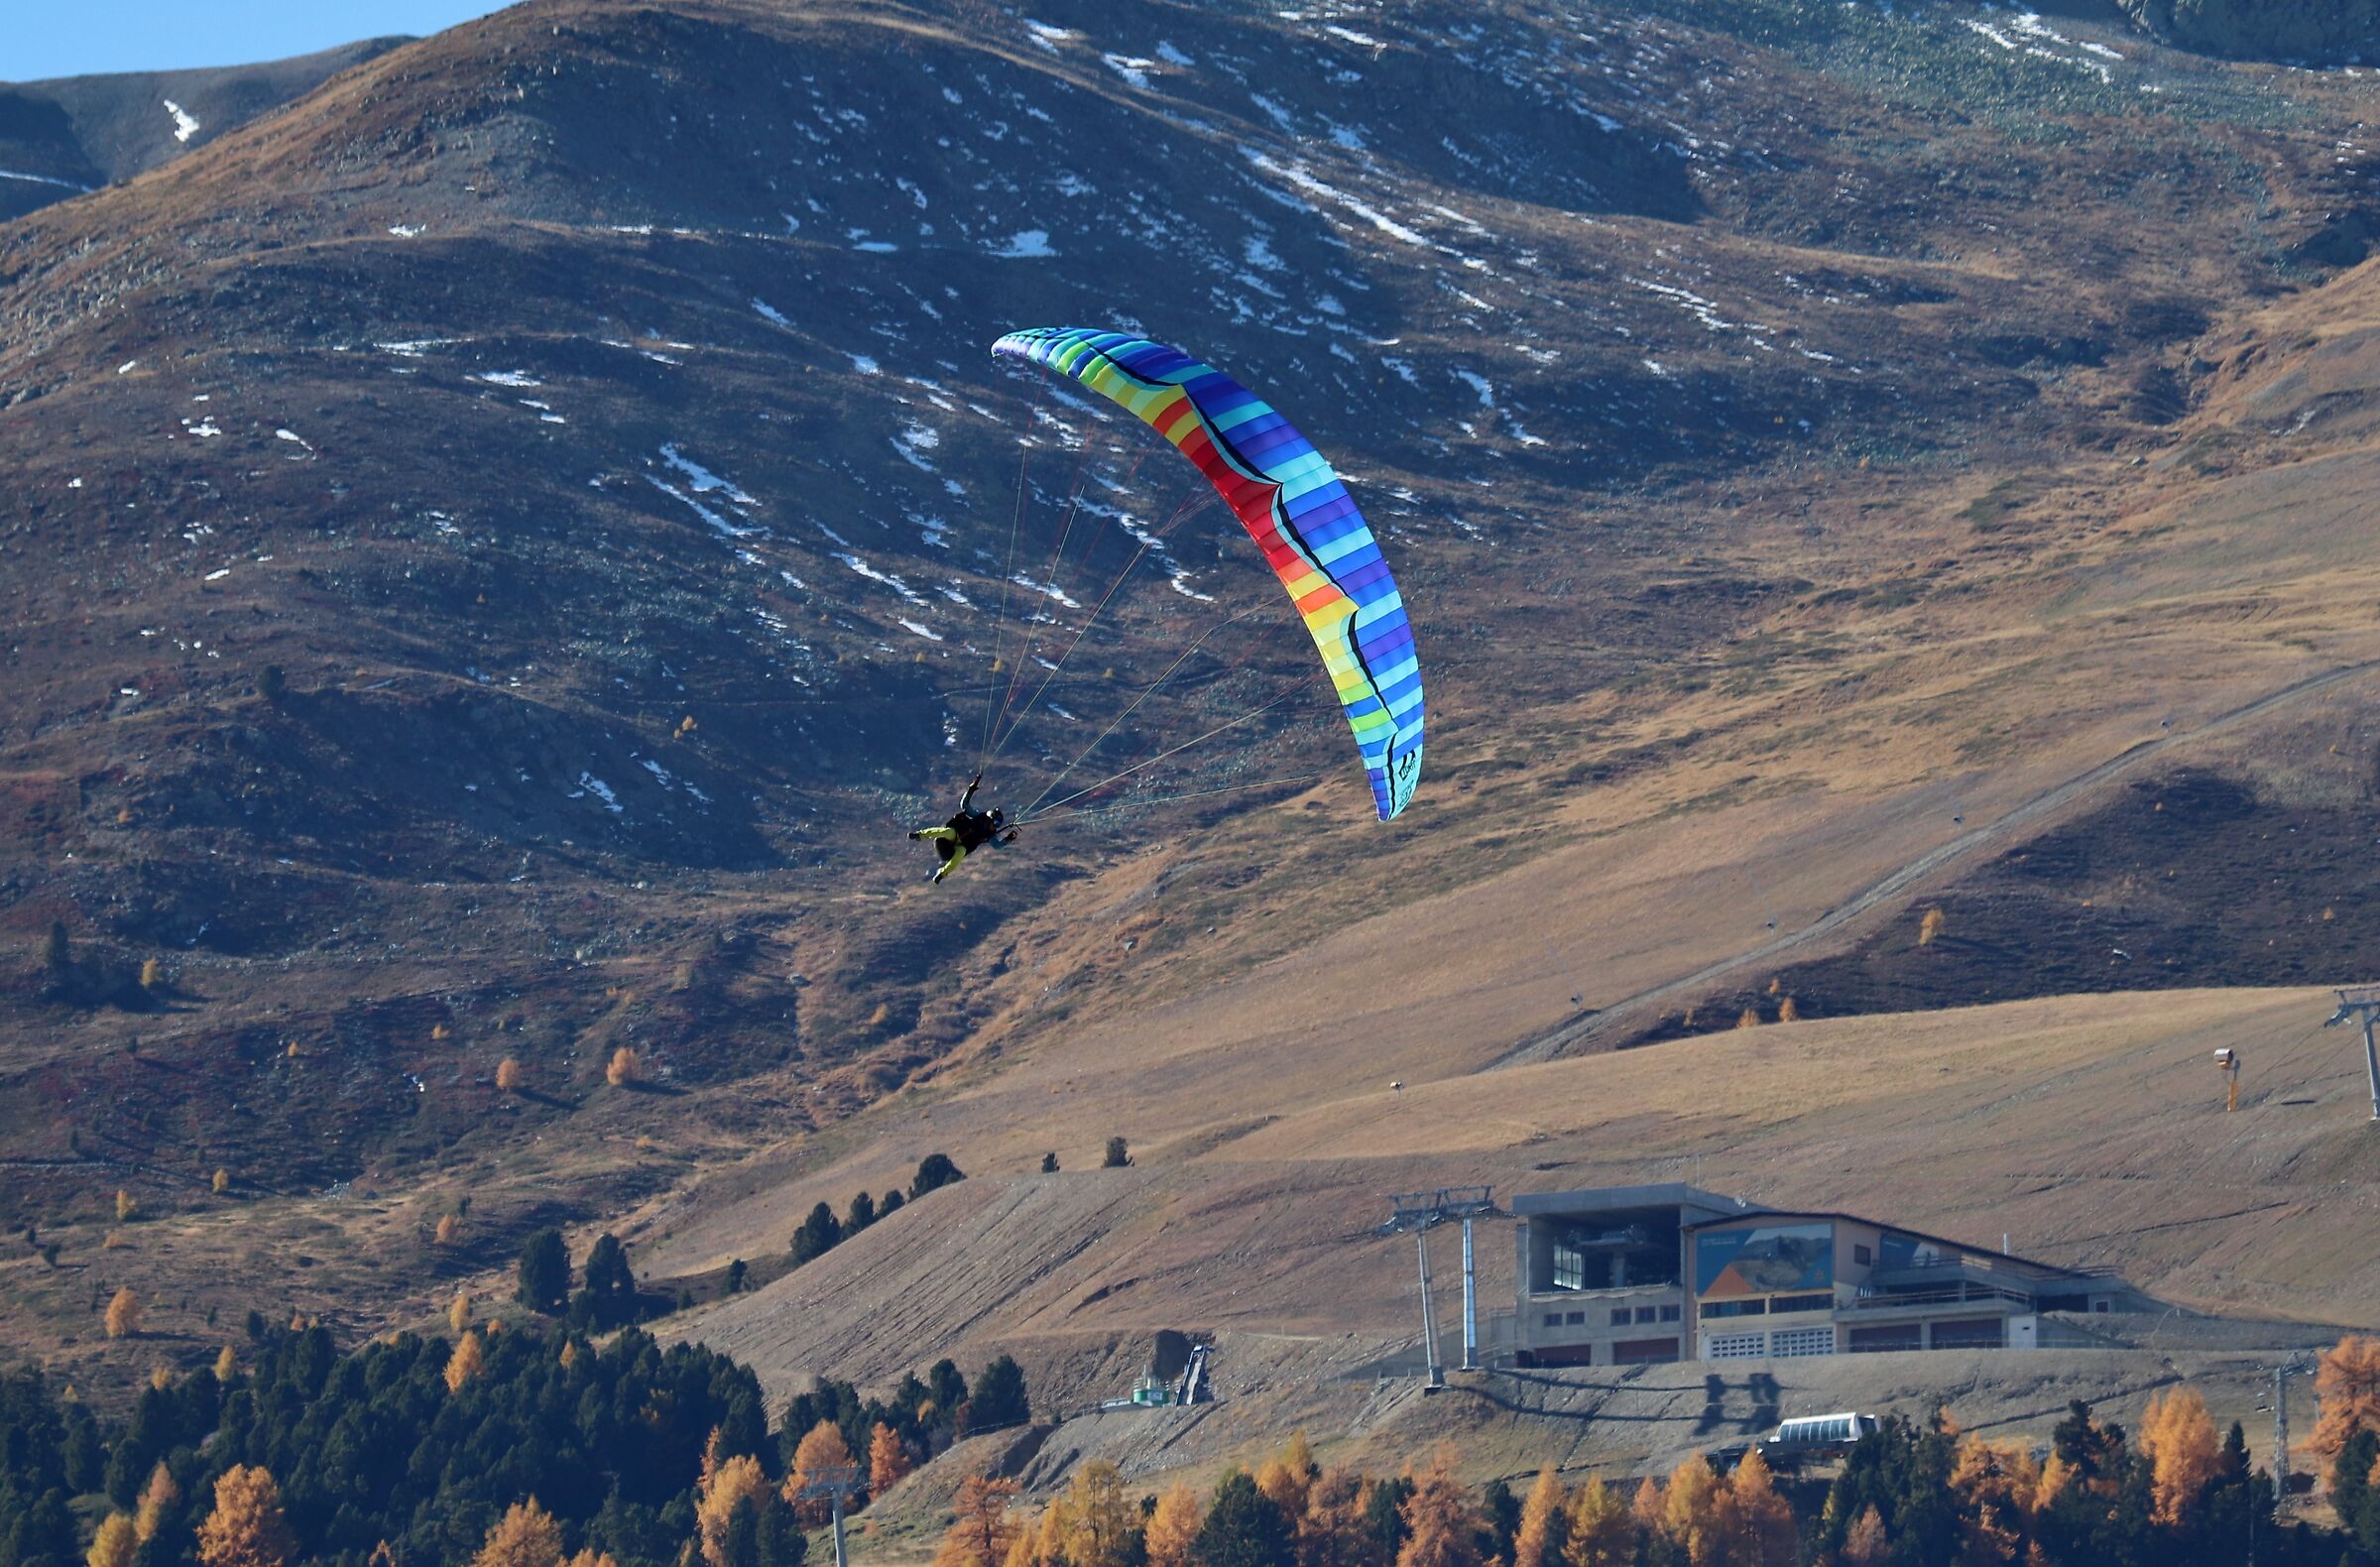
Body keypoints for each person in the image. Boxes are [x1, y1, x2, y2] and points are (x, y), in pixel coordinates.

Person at [908, 773, 1018, 884]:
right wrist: (970, 791)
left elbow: (997, 845)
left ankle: (942, 874)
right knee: (946, 832)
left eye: (994, 826)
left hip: (959, 847)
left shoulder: (990, 835)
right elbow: (964, 805)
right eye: (992, 824)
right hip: (952, 837)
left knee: (960, 854)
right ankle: (919, 835)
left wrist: (1008, 839)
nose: (992, 827)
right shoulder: (978, 816)